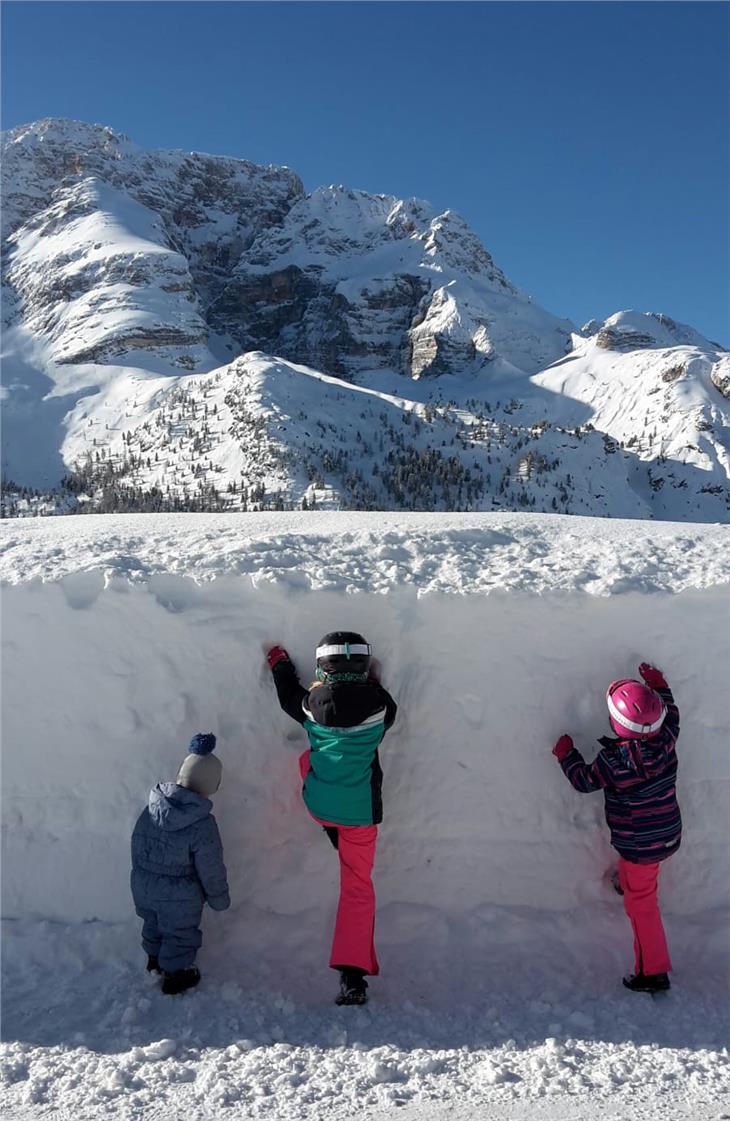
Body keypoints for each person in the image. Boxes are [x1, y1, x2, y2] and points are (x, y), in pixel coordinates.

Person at [266, 632, 397, 1005]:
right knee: (357, 886)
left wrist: (279, 663)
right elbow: (388, 709)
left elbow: (287, 696)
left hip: (319, 802)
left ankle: (331, 830)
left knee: (307, 760)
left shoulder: (310, 704)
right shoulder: (380, 707)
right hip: (359, 815)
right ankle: (352, 975)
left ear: (323, 666)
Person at [552, 663, 681, 993]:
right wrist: (659, 686)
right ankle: (627, 883)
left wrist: (567, 755)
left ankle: (653, 971)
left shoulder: (616, 763)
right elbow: (674, 714)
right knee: (639, 878)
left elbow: (583, 781)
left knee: (643, 907)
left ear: (616, 723)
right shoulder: (667, 738)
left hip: (640, 845)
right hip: (666, 834)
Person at [131, 733, 230, 995]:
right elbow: (211, 867)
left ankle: (154, 959)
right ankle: (175, 975)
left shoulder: (152, 807)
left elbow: (137, 843)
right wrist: (219, 898)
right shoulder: (202, 824)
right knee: (179, 932)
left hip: (143, 884)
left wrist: (141, 876)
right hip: (178, 894)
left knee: (152, 922)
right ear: (211, 784)